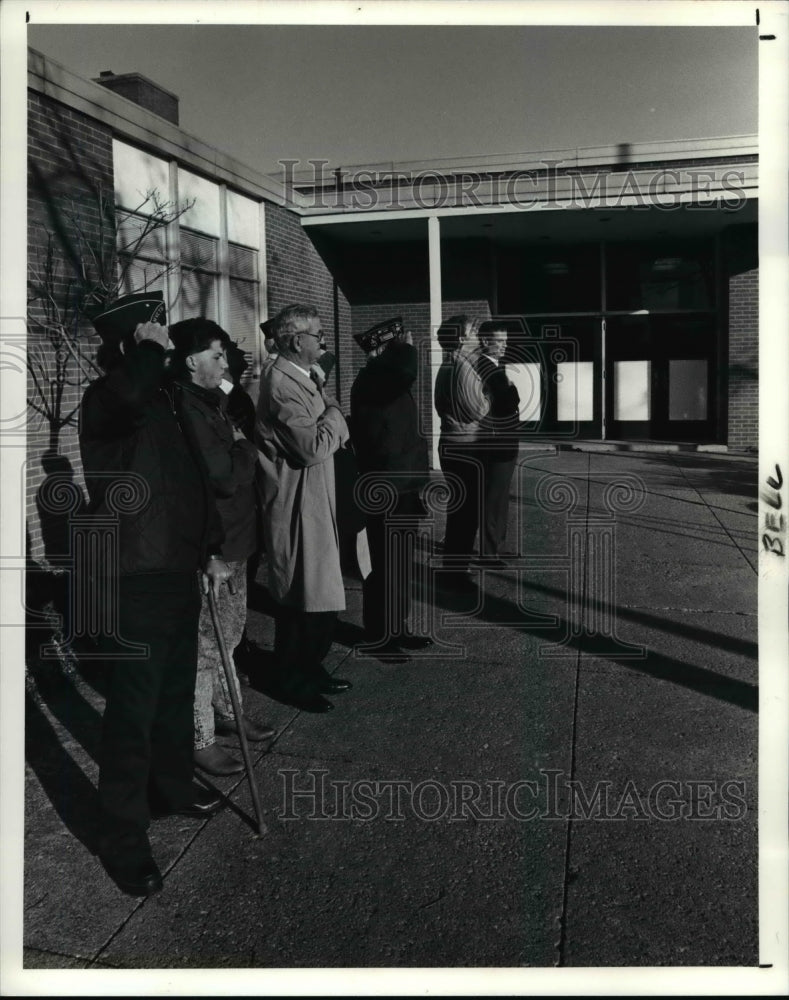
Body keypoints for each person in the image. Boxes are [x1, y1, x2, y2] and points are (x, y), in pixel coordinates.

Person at [80, 292, 232, 898]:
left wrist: (211, 546)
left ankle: (169, 790)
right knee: (132, 712)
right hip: (134, 574)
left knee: (172, 693)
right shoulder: (109, 400)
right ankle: (122, 837)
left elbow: (193, 476)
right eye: (155, 335)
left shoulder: (167, 399)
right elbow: (127, 394)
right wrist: (146, 351)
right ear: (130, 345)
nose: (166, 343)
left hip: (177, 567)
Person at [169, 318, 276, 778]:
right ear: (192, 361)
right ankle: (200, 737)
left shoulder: (209, 401)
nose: (225, 362)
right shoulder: (189, 407)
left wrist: (238, 446)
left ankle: (228, 711)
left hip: (236, 538)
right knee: (208, 644)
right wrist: (246, 450)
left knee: (228, 638)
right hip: (216, 543)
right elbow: (222, 478)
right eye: (216, 355)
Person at [255, 304, 351, 712]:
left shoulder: (299, 376)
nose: (323, 342)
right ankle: (292, 678)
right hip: (297, 505)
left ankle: (309, 668)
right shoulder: (281, 382)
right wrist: (334, 414)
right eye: (318, 336)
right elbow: (311, 447)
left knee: (317, 597)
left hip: (312, 500)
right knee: (301, 600)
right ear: (297, 341)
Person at [350, 316, 432, 660]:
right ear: (385, 348)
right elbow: (406, 372)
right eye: (398, 343)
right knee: (385, 565)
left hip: (400, 485)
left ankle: (397, 628)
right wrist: (406, 348)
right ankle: (380, 636)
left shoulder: (381, 378)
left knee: (398, 564)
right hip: (387, 486)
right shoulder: (374, 378)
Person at [433, 314, 490, 591]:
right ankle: (456, 572)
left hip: (455, 443)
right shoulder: (462, 367)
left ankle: (455, 567)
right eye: (473, 333)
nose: (478, 337)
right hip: (464, 446)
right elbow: (477, 409)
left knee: (461, 510)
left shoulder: (450, 364)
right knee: (466, 512)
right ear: (460, 338)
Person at [473, 320, 521, 565]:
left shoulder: (495, 366)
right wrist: (512, 391)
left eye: (505, 340)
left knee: (501, 496)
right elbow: (507, 402)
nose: (505, 345)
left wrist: (510, 391)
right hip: (495, 442)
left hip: (504, 441)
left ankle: (496, 546)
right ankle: (488, 551)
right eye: (499, 341)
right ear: (485, 341)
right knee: (493, 497)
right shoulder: (484, 366)